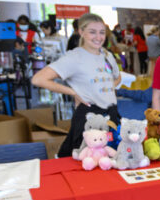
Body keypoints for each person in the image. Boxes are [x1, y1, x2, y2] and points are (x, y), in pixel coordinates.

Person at [31, 12, 121, 158]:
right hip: (89, 117)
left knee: (110, 160)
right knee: (86, 162)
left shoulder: (107, 55)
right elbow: (39, 79)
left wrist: (107, 89)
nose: (98, 37)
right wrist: (73, 92)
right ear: (81, 32)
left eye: (102, 32)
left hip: (111, 115)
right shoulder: (74, 57)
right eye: (92, 32)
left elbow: (117, 77)